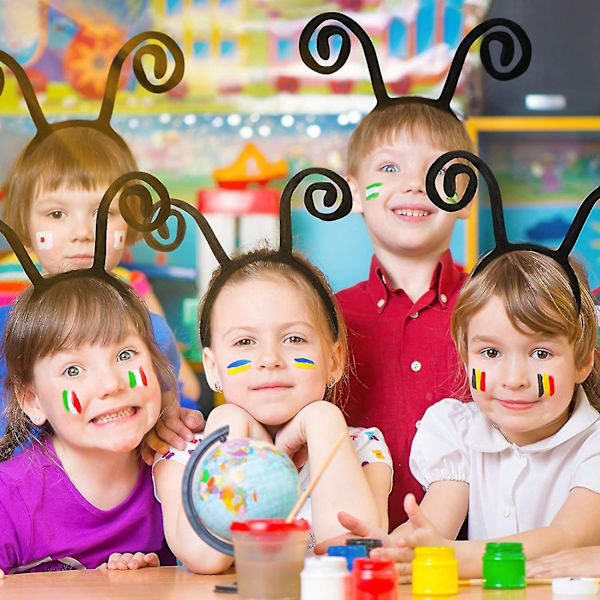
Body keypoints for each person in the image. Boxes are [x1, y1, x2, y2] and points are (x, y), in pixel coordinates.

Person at [330, 251, 600, 579]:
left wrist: (450, 558)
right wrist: (385, 552)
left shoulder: (594, 446)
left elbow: (566, 539)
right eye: (490, 352)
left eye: (540, 353)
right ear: (465, 355)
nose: (514, 379)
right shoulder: (457, 431)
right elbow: (434, 526)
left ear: (584, 360)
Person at [153, 247, 393, 573]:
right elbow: (207, 557)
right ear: (213, 368)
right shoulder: (184, 453)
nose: (270, 358)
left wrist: (323, 420)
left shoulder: (360, 449)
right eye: (244, 342)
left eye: (294, 338)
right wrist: (231, 429)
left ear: (334, 360)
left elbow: (353, 553)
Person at [0, 126, 201, 413]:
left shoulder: (134, 296)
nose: (82, 233)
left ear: (132, 219)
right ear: (25, 223)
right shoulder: (5, 288)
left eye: (104, 213)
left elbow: (184, 387)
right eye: (57, 214)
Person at [0, 274, 180, 575]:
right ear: (33, 401)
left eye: (125, 354)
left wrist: (158, 575)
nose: (110, 383)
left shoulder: (175, 472)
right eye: (73, 370)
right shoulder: (9, 498)